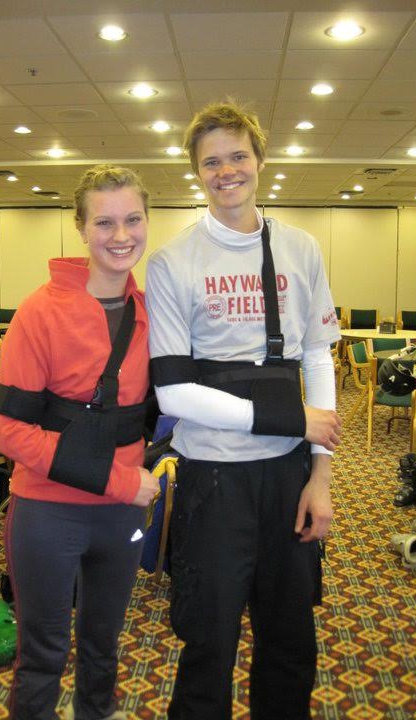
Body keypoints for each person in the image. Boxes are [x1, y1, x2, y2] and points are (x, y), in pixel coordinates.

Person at [145, 101, 342, 720]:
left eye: (237, 156)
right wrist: (290, 420)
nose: (226, 171)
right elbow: (174, 395)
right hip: (212, 479)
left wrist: (320, 476)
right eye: (211, 162)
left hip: (287, 476)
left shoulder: (300, 248)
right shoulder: (173, 262)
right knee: (208, 643)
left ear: (259, 160)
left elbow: (318, 358)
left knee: (290, 641)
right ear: (196, 172)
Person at [0, 165, 159, 720]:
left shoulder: (149, 309)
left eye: (133, 219)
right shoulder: (39, 312)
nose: (121, 235)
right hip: (48, 511)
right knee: (43, 652)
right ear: (81, 228)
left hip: (120, 515)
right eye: (104, 222)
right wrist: (120, 482)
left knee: (103, 644)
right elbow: (9, 431)